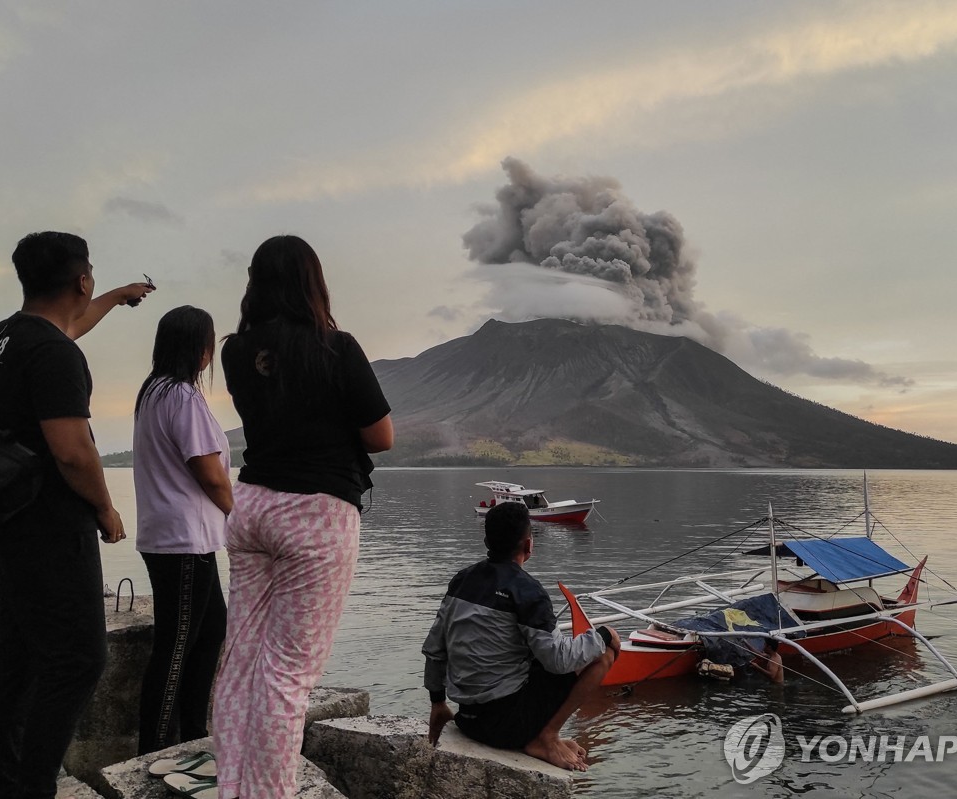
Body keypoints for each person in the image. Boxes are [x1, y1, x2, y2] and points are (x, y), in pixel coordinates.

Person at [212, 234, 393, 799]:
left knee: (240, 659)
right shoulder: (336, 347)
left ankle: (232, 788)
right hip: (315, 514)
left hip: (252, 506)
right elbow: (381, 436)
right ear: (313, 282)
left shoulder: (234, 352)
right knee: (288, 677)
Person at [0, 231, 154, 799]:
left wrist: (120, 296)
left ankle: (1, 782)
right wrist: (105, 509)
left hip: (9, 521)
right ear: (81, 280)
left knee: (21, 649)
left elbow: (70, 323)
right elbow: (73, 451)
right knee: (79, 659)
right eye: (95, 277)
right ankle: (33, 788)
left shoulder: (6, 336)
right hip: (50, 527)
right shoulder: (55, 355)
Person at [422, 502, 620, 772]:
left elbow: (435, 648)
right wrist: (603, 635)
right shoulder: (527, 591)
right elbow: (558, 661)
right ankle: (546, 738)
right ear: (529, 545)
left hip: (468, 719)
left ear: (486, 541)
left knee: (528, 657)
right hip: (506, 728)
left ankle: (548, 736)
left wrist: (437, 702)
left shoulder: (462, 581)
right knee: (604, 654)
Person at [133, 306, 232, 754]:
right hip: (183, 539)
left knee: (211, 632)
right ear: (200, 349)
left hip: (173, 536)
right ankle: (153, 751)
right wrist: (240, 514)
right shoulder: (183, 397)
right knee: (176, 647)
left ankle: (194, 736)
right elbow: (209, 472)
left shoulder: (153, 392)